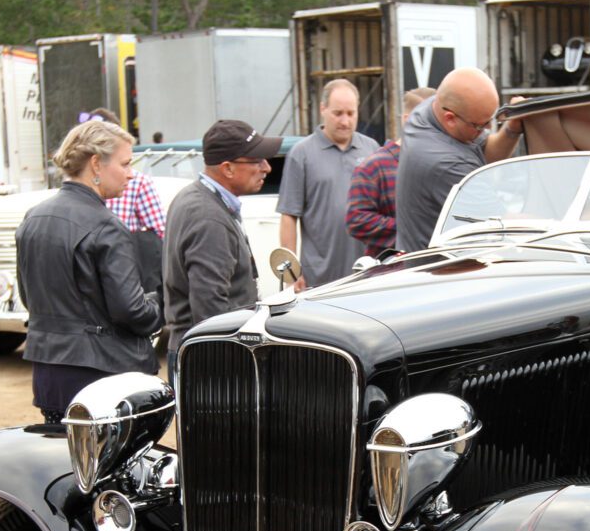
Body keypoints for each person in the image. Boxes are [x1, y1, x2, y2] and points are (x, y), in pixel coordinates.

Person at [15, 120, 164, 423]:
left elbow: (29, 297)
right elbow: (131, 310)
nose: (131, 173)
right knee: (112, 469)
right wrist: (162, 303)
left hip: (50, 372)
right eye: (125, 163)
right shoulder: (106, 225)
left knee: (64, 464)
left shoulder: (33, 218)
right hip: (102, 377)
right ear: (96, 163)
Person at [162, 119, 281, 379]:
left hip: (197, 353)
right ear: (227, 168)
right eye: (257, 160)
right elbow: (210, 309)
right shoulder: (208, 216)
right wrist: (229, 370)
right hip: (212, 361)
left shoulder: (194, 197)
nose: (267, 167)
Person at [394, 67, 525, 253]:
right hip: (441, 272)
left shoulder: (428, 110)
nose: (488, 127)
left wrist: (512, 128)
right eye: (480, 125)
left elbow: (487, 151)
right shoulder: (446, 164)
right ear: (450, 119)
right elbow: (504, 224)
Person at [277, 79, 379, 289]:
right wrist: (291, 273)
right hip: (318, 278)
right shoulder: (301, 154)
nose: (345, 121)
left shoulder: (371, 149)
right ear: (323, 109)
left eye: (351, 114)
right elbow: (289, 216)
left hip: (366, 273)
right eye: (338, 113)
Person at [83, 107, 168, 301]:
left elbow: (160, 236)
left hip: (125, 278)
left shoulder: (137, 182)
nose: (128, 172)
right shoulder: (77, 189)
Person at [345, 87, 434, 258]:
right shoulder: (373, 167)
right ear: (409, 120)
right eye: (431, 122)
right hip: (393, 275)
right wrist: (412, 230)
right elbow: (356, 219)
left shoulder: (440, 164)